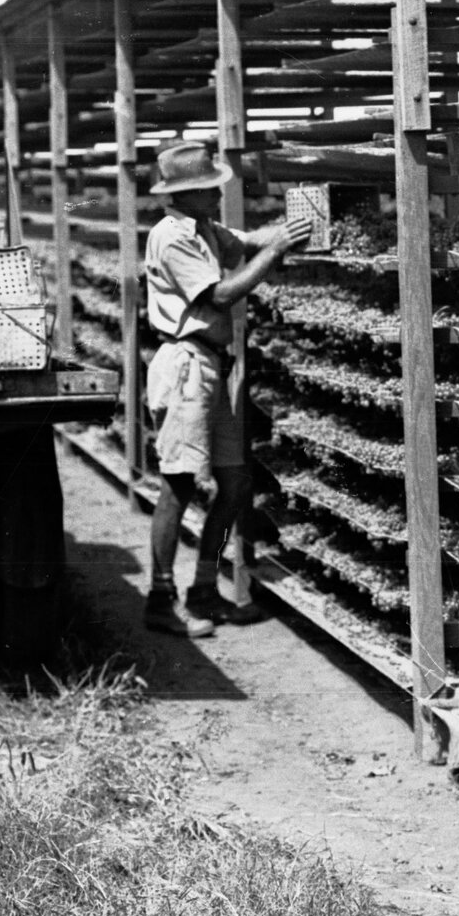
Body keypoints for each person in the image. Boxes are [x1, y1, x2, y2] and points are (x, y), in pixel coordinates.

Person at [142, 140, 309, 638]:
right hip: (186, 366)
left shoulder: (205, 229)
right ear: (183, 193)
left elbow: (247, 241)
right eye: (208, 188)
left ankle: (203, 588)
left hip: (212, 364)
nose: (218, 195)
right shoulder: (171, 237)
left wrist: (293, 227)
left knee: (235, 483)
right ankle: (160, 598)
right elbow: (221, 294)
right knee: (179, 483)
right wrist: (275, 252)